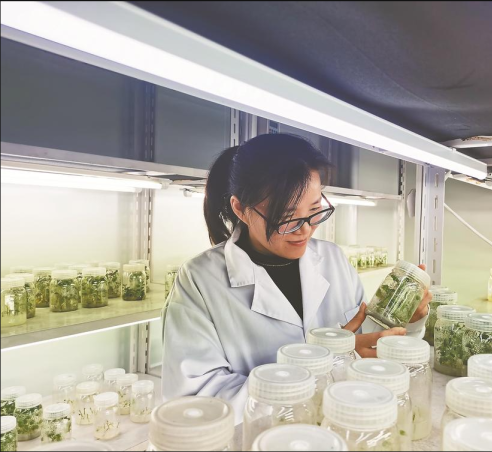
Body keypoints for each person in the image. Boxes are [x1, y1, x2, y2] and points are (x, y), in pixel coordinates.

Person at [162, 133, 431, 422]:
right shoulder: (199, 280)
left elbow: (363, 342)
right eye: (286, 217)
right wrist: (321, 363)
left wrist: (406, 321)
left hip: (340, 426)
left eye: (314, 211)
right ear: (241, 209)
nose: (305, 230)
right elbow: (197, 400)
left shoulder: (332, 259)